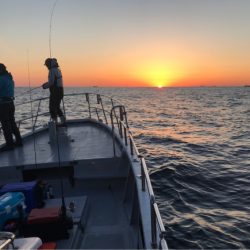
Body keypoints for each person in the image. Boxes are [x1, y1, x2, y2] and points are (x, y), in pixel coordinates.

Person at [0, 63, 22, 151]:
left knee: (5, 124)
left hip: (3, 105)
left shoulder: (1, 79)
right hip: (10, 104)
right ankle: (19, 141)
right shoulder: (10, 78)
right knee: (12, 123)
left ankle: (10, 145)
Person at [42, 58, 66, 125]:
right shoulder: (58, 70)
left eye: (47, 65)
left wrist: (44, 86)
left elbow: (51, 82)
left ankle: (55, 124)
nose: (46, 66)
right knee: (57, 107)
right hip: (60, 91)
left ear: (49, 64)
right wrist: (47, 83)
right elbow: (54, 81)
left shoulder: (52, 70)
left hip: (55, 92)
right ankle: (63, 122)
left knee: (52, 108)